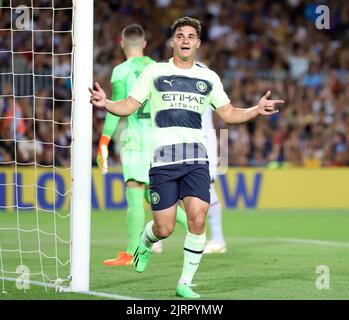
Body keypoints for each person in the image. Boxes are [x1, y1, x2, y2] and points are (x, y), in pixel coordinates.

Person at [90, 17, 284, 298]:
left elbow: (228, 114)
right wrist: (105, 103)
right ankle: (146, 241)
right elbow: (129, 105)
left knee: (197, 217)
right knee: (165, 227)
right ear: (172, 41)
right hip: (163, 161)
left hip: (195, 159)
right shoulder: (154, 72)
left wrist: (255, 109)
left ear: (198, 43)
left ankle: (184, 283)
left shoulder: (209, 77)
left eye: (191, 36)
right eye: (180, 35)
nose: (185, 40)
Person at [98, 24, 188, 267]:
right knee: (153, 195)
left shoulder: (121, 71)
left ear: (122, 44)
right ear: (145, 45)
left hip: (137, 139)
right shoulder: (158, 68)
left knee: (135, 189)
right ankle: (196, 228)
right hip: (161, 139)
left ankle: (130, 253)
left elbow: (116, 109)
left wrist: (104, 141)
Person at [201, 106, 226, 254]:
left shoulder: (208, 82)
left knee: (208, 187)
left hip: (204, 141)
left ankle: (218, 239)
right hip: (185, 141)